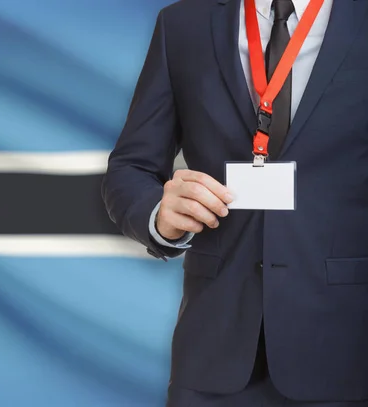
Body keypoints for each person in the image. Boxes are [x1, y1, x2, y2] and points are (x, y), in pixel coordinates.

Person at [101, 0, 368, 405]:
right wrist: (157, 215)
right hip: (213, 355)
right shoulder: (183, 24)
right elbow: (130, 166)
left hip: (348, 352)